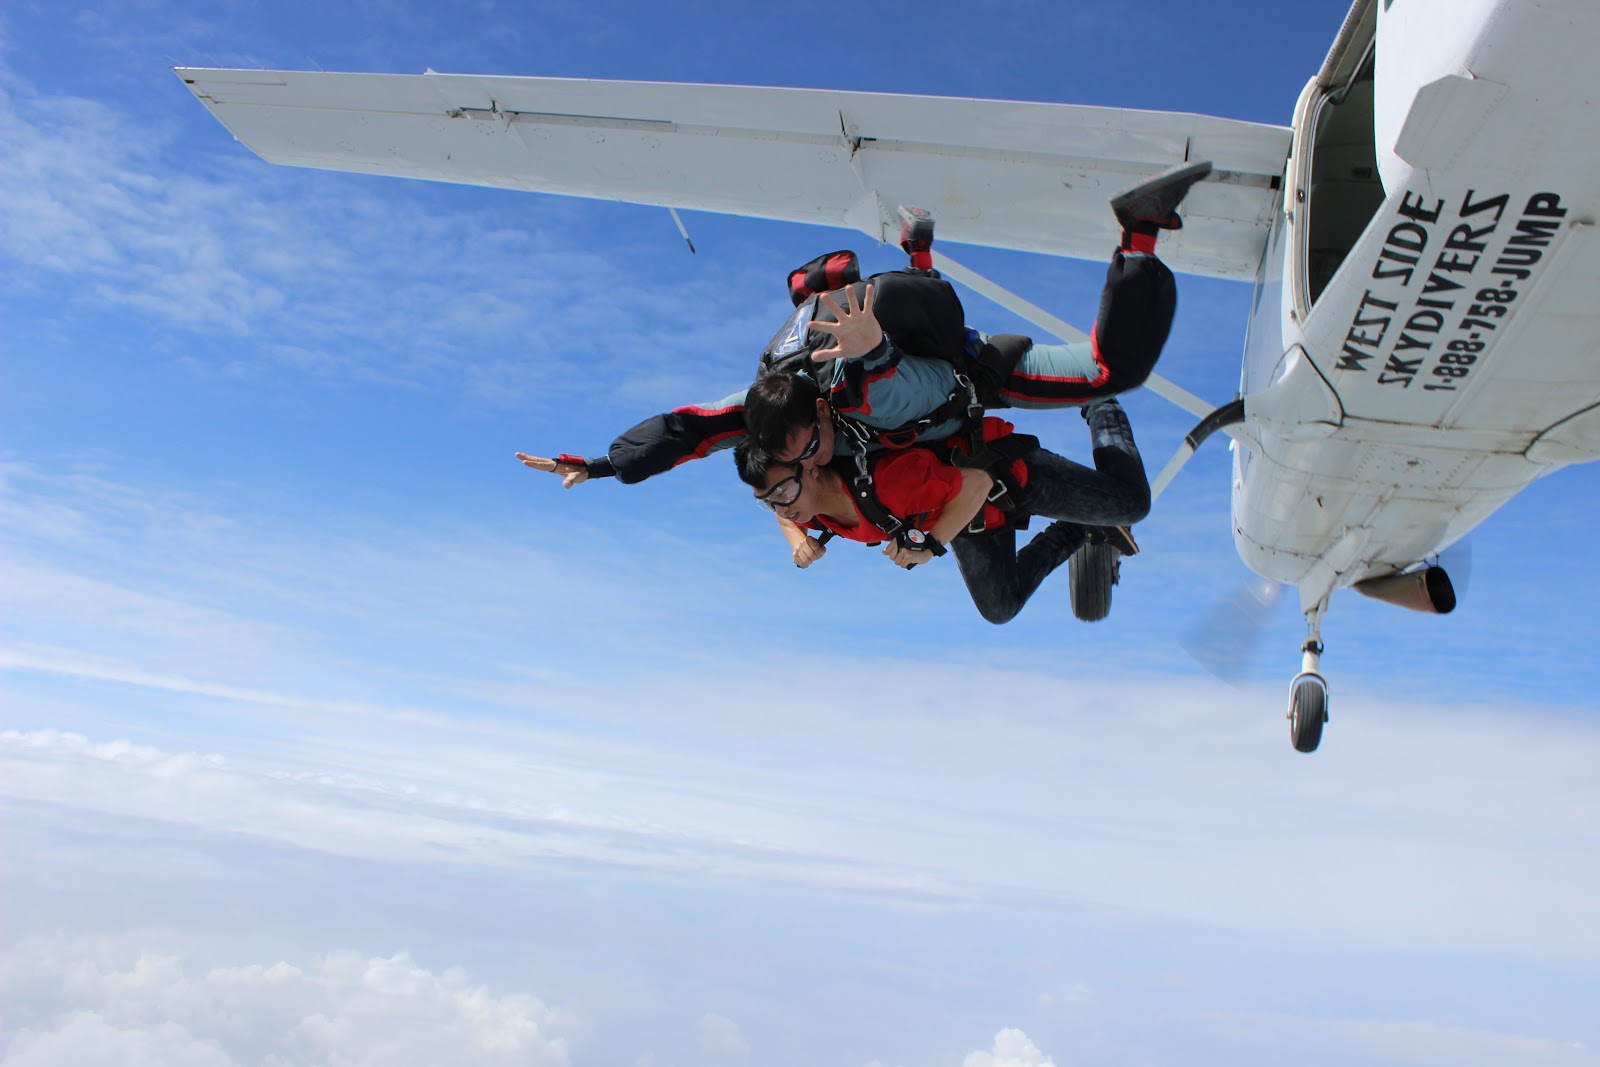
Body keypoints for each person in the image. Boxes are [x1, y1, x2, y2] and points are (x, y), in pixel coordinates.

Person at [517, 162, 1212, 488]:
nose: (812, 461)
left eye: (810, 448)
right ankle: (916, 249)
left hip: (969, 374)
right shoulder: (769, 404)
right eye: (798, 461)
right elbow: (689, 428)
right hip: (900, 348)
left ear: (820, 406)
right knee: (918, 312)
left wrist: (874, 354)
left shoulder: (853, 394)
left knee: (1109, 373)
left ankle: (1141, 229)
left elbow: (905, 392)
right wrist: (606, 463)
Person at [734, 378, 1150, 624]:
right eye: (768, 502)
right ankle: (1080, 526)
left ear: (807, 466)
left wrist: (927, 545)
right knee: (999, 608)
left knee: (1133, 503)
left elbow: (978, 482)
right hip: (969, 518)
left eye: (783, 494)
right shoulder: (803, 504)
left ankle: (1101, 406)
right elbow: (783, 507)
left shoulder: (888, 484)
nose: (783, 508)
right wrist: (793, 539)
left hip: (1007, 477)